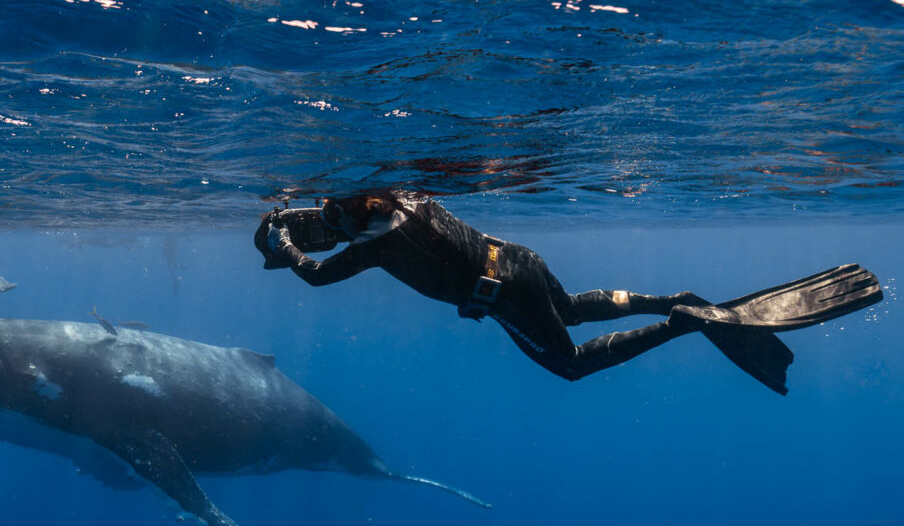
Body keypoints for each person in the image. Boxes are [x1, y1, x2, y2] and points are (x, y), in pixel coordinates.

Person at [255, 189, 882, 394]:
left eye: (326, 225)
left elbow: (312, 274)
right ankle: (669, 299)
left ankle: (682, 321)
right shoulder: (406, 197)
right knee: (574, 309)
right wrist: (299, 217)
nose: (328, 234)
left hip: (499, 293)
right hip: (518, 260)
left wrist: (286, 244)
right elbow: (345, 220)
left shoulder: (371, 249)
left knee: (570, 365)